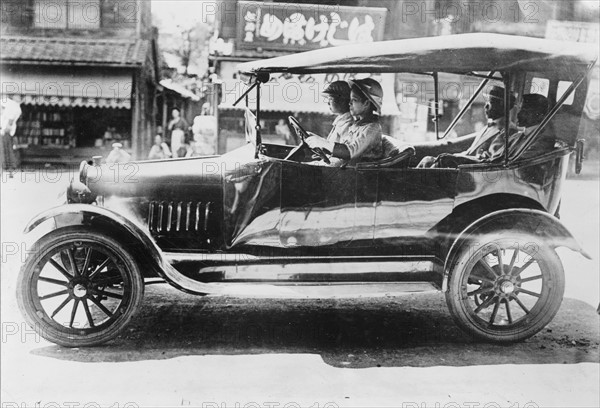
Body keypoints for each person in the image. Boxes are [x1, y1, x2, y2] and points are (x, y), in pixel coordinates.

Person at [417, 85, 518, 168]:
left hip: (469, 171)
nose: (485, 106)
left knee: (435, 165)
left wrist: (455, 159)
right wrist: (455, 156)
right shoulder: (489, 127)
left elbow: (490, 161)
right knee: (427, 160)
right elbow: (470, 152)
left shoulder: (508, 131)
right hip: (464, 165)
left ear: (502, 105)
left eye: (490, 102)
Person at [305, 78, 383, 166]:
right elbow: (343, 146)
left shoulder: (372, 129)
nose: (349, 103)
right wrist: (320, 142)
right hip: (345, 169)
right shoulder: (358, 125)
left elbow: (349, 152)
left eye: (354, 100)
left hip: (356, 175)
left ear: (366, 104)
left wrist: (323, 143)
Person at [487, 93, 553, 161]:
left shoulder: (544, 141)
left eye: (524, 111)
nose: (518, 114)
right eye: (519, 109)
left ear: (539, 115)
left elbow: (518, 162)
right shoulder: (516, 136)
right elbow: (497, 156)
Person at [0, 98, 22, 172]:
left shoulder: (10, 117)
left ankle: (9, 165)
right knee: (4, 150)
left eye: (2, 108)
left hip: (6, 134)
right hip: (3, 133)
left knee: (6, 149)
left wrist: (3, 130)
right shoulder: (3, 117)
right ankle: (5, 165)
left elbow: (9, 126)